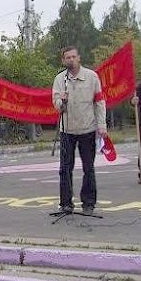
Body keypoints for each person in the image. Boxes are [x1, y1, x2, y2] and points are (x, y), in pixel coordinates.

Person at [52, 46, 107, 216]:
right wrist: (62, 101)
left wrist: (101, 124)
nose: (71, 60)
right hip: (67, 129)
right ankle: (66, 203)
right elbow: (56, 104)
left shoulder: (91, 77)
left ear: (79, 58)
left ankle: (89, 202)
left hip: (87, 128)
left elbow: (99, 102)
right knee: (65, 168)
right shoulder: (60, 79)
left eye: (73, 57)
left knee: (88, 167)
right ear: (63, 60)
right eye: (67, 57)